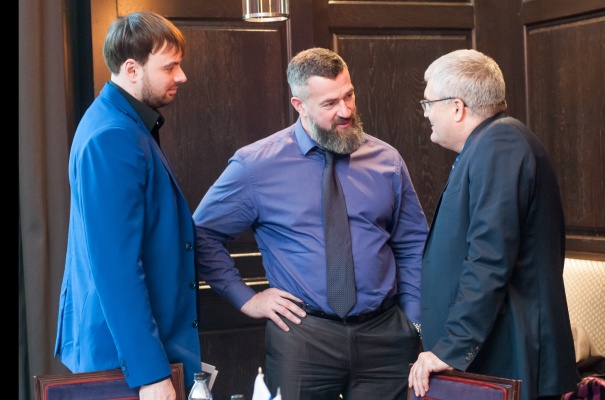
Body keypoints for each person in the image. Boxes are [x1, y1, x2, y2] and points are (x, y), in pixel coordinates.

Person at [193, 47, 429, 400]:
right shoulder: (255, 166)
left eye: (349, 95)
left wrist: (413, 320)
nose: (345, 111)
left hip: (386, 337)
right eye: (330, 103)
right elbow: (201, 234)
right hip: (302, 337)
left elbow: (412, 242)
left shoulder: (387, 160)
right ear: (299, 105)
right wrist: (246, 299)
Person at [408, 49, 579, 400]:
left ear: (456, 107)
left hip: (511, 355)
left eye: (428, 103)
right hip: (497, 350)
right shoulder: (489, 143)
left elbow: (490, 258)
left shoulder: (500, 143)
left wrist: (452, 346)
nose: (425, 113)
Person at [54, 11, 201, 399]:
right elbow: (116, 267)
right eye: (170, 67)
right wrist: (150, 373)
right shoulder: (113, 135)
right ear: (132, 69)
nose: (181, 76)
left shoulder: (121, 120)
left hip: (127, 351)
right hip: (123, 359)